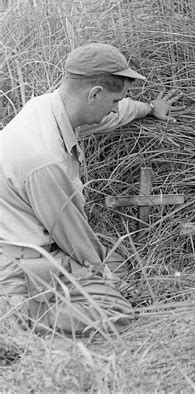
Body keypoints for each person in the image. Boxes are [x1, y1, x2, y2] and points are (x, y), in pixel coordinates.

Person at [0, 43, 184, 336]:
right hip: (19, 266)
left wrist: (149, 109)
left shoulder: (49, 109)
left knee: (118, 259)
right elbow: (75, 238)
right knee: (117, 312)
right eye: (113, 99)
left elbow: (116, 114)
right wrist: (106, 278)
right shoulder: (43, 158)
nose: (115, 107)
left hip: (39, 248)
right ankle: (15, 316)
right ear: (94, 94)